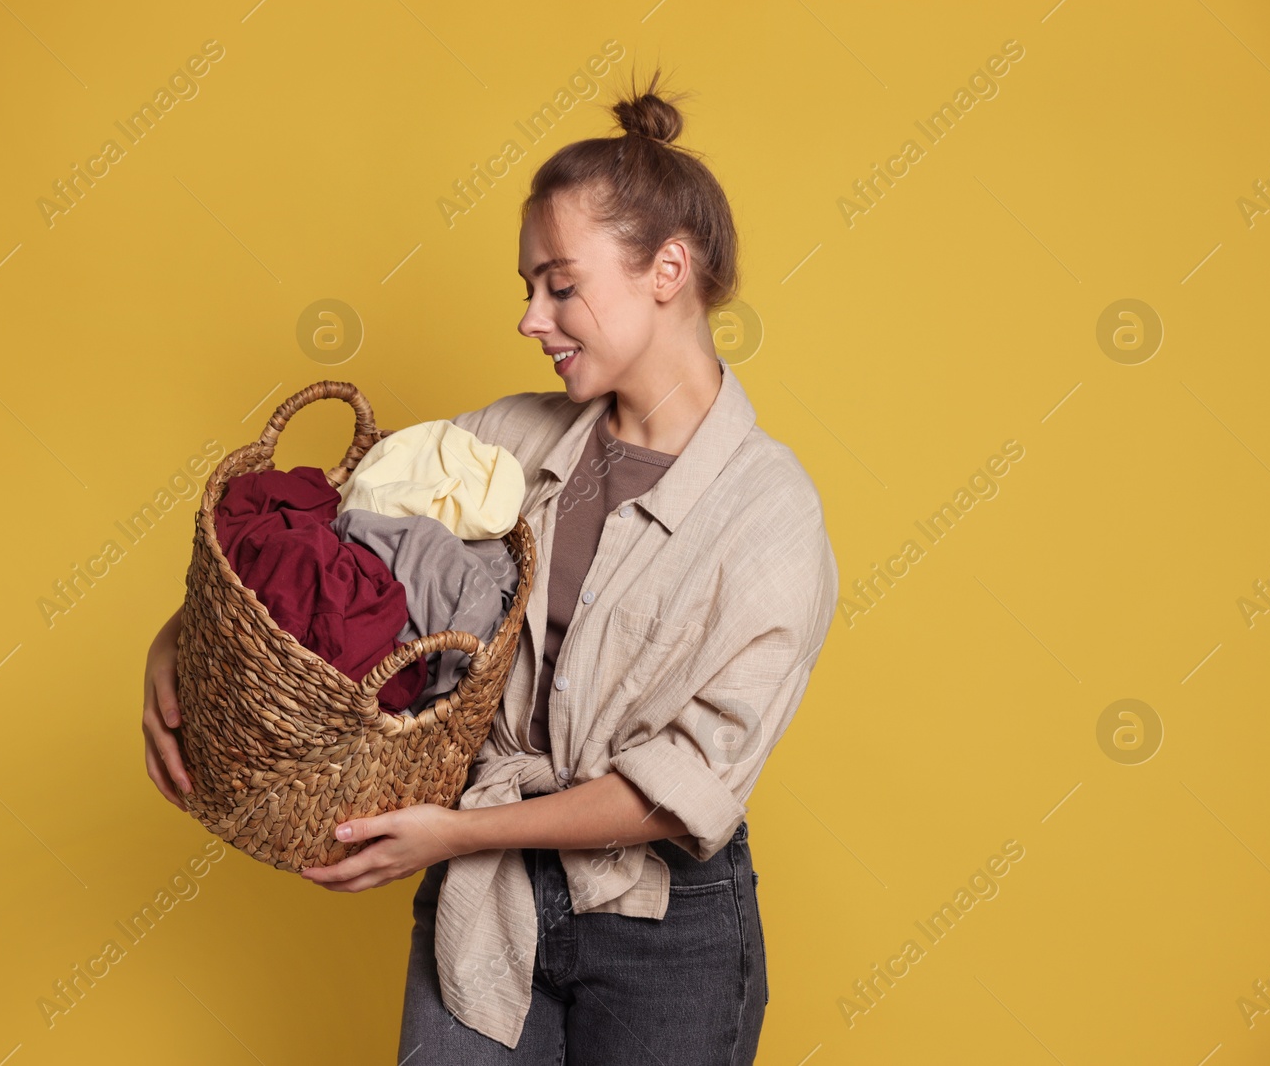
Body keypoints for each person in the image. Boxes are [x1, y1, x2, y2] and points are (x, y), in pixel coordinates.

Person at [142, 68, 840, 1065]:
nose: (529, 316)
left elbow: (681, 786)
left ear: (667, 269)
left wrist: (451, 834)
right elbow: (315, 563)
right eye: (526, 287)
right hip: (485, 905)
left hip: (664, 930)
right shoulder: (505, 439)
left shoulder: (771, 515)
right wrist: (179, 644)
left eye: (560, 283)